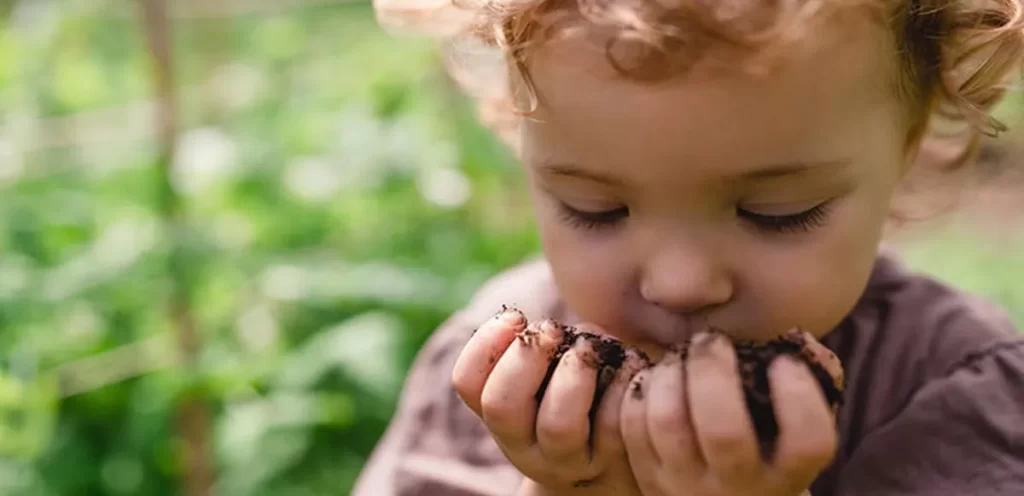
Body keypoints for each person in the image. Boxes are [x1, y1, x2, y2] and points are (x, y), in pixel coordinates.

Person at [355, 0, 1024, 494]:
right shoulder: (503, 377)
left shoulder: (952, 392)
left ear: (909, 145)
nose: (678, 284)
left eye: (776, 214)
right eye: (598, 209)